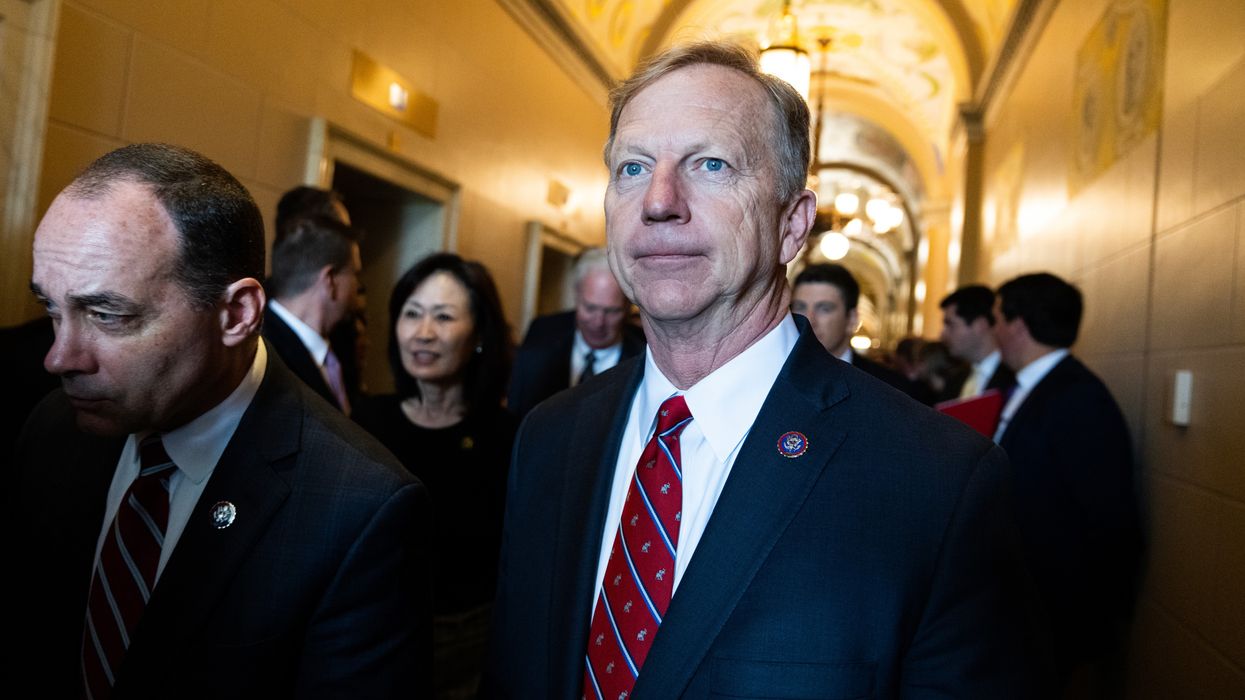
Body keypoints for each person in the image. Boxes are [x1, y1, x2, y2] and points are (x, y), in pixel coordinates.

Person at [483, 42, 1041, 698]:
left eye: (711, 164)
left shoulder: (936, 480)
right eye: (632, 167)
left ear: (792, 225)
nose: (659, 201)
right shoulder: (549, 437)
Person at [7, 143, 431, 697]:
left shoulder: (358, 511)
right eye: (51, 309)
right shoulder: (54, 429)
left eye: (107, 315)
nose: (59, 358)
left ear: (236, 314)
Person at [354, 252, 517, 700]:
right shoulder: (365, 423)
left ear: (479, 334)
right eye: (412, 314)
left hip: (470, 650)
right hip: (371, 637)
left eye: (443, 317)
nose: (423, 333)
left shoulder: (511, 438)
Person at [993, 272, 1142, 692]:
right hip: (1021, 603)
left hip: (1051, 609)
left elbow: (1107, 516)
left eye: (998, 319)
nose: (994, 331)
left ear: (1018, 326)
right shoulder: (1030, 387)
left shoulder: (1077, 397)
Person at [507, 247, 644, 418]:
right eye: (590, 308)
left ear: (628, 306)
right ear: (576, 295)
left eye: (612, 311)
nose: (598, 322)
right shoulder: (542, 333)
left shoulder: (645, 353)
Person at [791, 262, 933, 403]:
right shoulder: (780, 375)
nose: (809, 320)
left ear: (852, 319)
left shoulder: (892, 390)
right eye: (800, 307)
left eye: (824, 309)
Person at [263, 215, 363, 414]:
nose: (357, 286)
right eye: (355, 274)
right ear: (330, 280)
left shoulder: (341, 344)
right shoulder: (262, 354)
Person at [939, 284, 1016, 399]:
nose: (942, 334)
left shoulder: (1014, 379)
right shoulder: (955, 380)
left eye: (950, 324)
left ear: (980, 325)